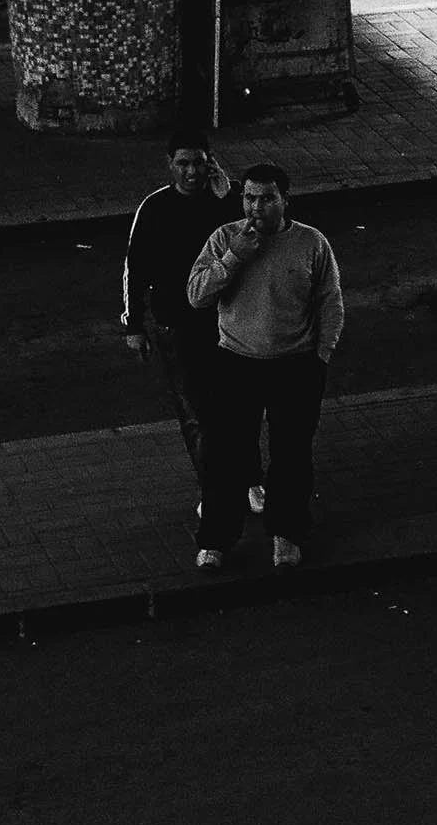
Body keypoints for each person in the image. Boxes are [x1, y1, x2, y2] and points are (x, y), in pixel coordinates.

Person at [185, 163, 346, 572]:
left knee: (291, 455)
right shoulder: (225, 238)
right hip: (236, 362)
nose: (256, 206)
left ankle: (286, 535)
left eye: (266, 198)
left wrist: (321, 354)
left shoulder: (311, 243)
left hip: (295, 365)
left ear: (284, 200)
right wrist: (234, 257)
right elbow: (197, 295)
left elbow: (330, 301)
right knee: (226, 456)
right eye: (250, 197)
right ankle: (216, 540)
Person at [122, 135, 242, 479]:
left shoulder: (224, 201)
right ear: (170, 165)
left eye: (199, 162)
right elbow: (136, 267)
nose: (192, 171)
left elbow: (253, 234)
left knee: (234, 405)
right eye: (183, 163)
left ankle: (247, 477)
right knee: (194, 410)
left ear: (211, 162)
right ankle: (212, 486)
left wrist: (227, 193)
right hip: (176, 323)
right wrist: (134, 325)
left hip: (225, 318)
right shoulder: (155, 208)